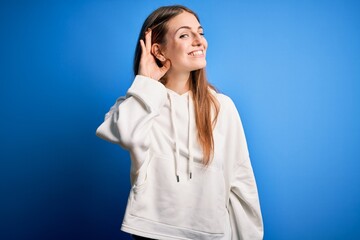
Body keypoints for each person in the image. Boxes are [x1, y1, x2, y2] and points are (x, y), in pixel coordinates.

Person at [96, 5, 263, 240]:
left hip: (213, 234)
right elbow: (126, 134)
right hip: (151, 232)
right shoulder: (141, 101)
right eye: (185, 35)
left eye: (201, 33)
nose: (199, 41)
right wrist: (146, 81)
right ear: (159, 51)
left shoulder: (222, 107)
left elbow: (242, 183)